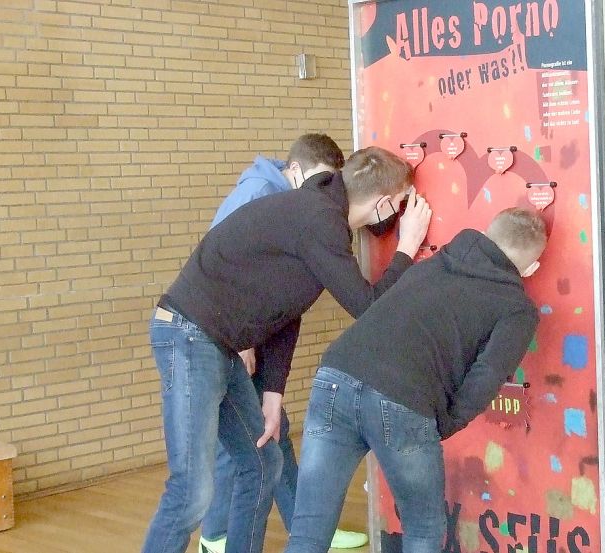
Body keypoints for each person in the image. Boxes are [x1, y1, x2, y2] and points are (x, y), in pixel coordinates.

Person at [141, 146, 432, 553]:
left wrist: (272, 392)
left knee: (263, 465)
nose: (399, 214)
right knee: (191, 490)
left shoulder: (318, 214)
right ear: (383, 202)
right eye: (401, 204)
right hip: (189, 335)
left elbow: (284, 309)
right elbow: (368, 308)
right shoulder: (319, 220)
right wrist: (407, 248)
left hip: (216, 344)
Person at [285, 207, 548, 553]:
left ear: (485, 235)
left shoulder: (433, 265)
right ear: (530, 268)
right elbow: (487, 377)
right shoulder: (516, 308)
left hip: (336, 375)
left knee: (309, 526)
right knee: (424, 528)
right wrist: (445, 424)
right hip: (403, 400)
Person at [198, 135, 368, 553]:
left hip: (247, 330)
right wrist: (239, 339)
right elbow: (225, 264)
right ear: (297, 170)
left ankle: (307, 529)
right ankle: (215, 534)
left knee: (270, 431)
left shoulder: (292, 200)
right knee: (244, 436)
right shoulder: (261, 192)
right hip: (225, 333)